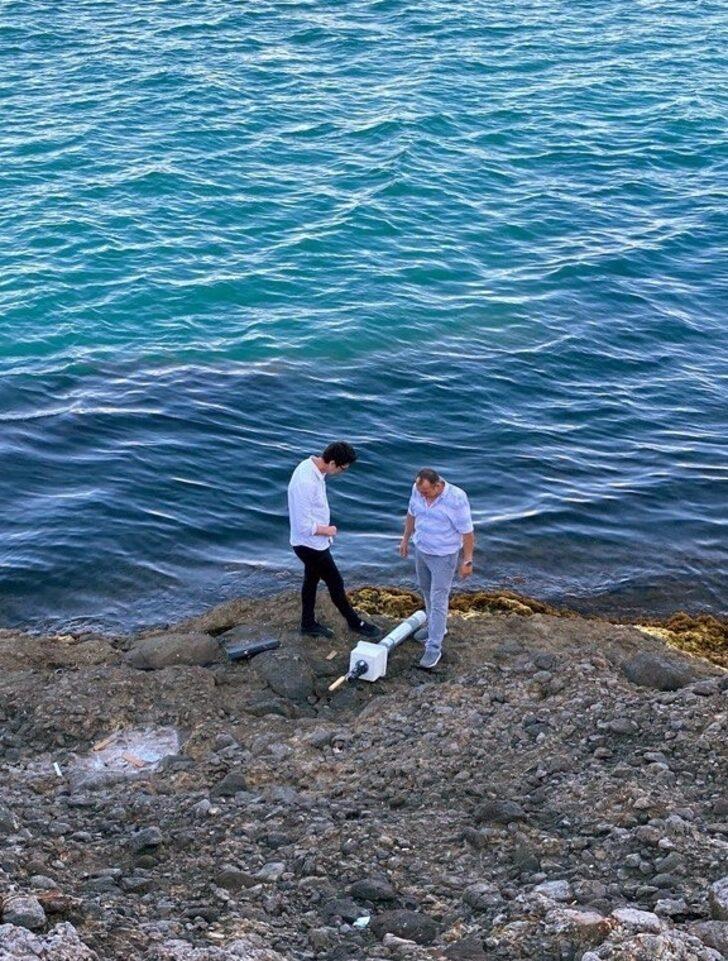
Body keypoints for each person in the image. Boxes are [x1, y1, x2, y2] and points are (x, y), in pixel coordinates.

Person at [288, 441, 380, 639]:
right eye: (343, 468)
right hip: (309, 545)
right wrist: (328, 530)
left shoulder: (312, 468)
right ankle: (355, 623)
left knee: (311, 580)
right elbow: (303, 526)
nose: (343, 472)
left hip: (313, 543)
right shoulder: (307, 482)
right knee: (335, 582)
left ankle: (307, 623)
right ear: (332, 463)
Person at [398, 468, 475, 669]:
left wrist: (467, 560)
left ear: (438, 486)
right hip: (422, 550)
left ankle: (434, 647)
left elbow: (467, 532)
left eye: (426, 492)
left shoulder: (456, 499)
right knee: (425, 591)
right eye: (419, 491)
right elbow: (411, 514)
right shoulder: (417, 490)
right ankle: (435, 628)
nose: (422, 495)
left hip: (444, 556)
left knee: (439, 598)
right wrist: (405, 539)